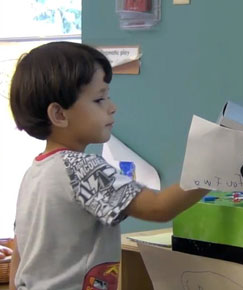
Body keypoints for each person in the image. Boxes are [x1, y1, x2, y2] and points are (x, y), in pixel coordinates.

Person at [8, 41, 209, 290]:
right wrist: (211, 172)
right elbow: (159, 208)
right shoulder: (82, 170)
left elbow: (20, 254)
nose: (112, 107)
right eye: (99, 99)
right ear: (59, 115)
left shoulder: (34, 173)